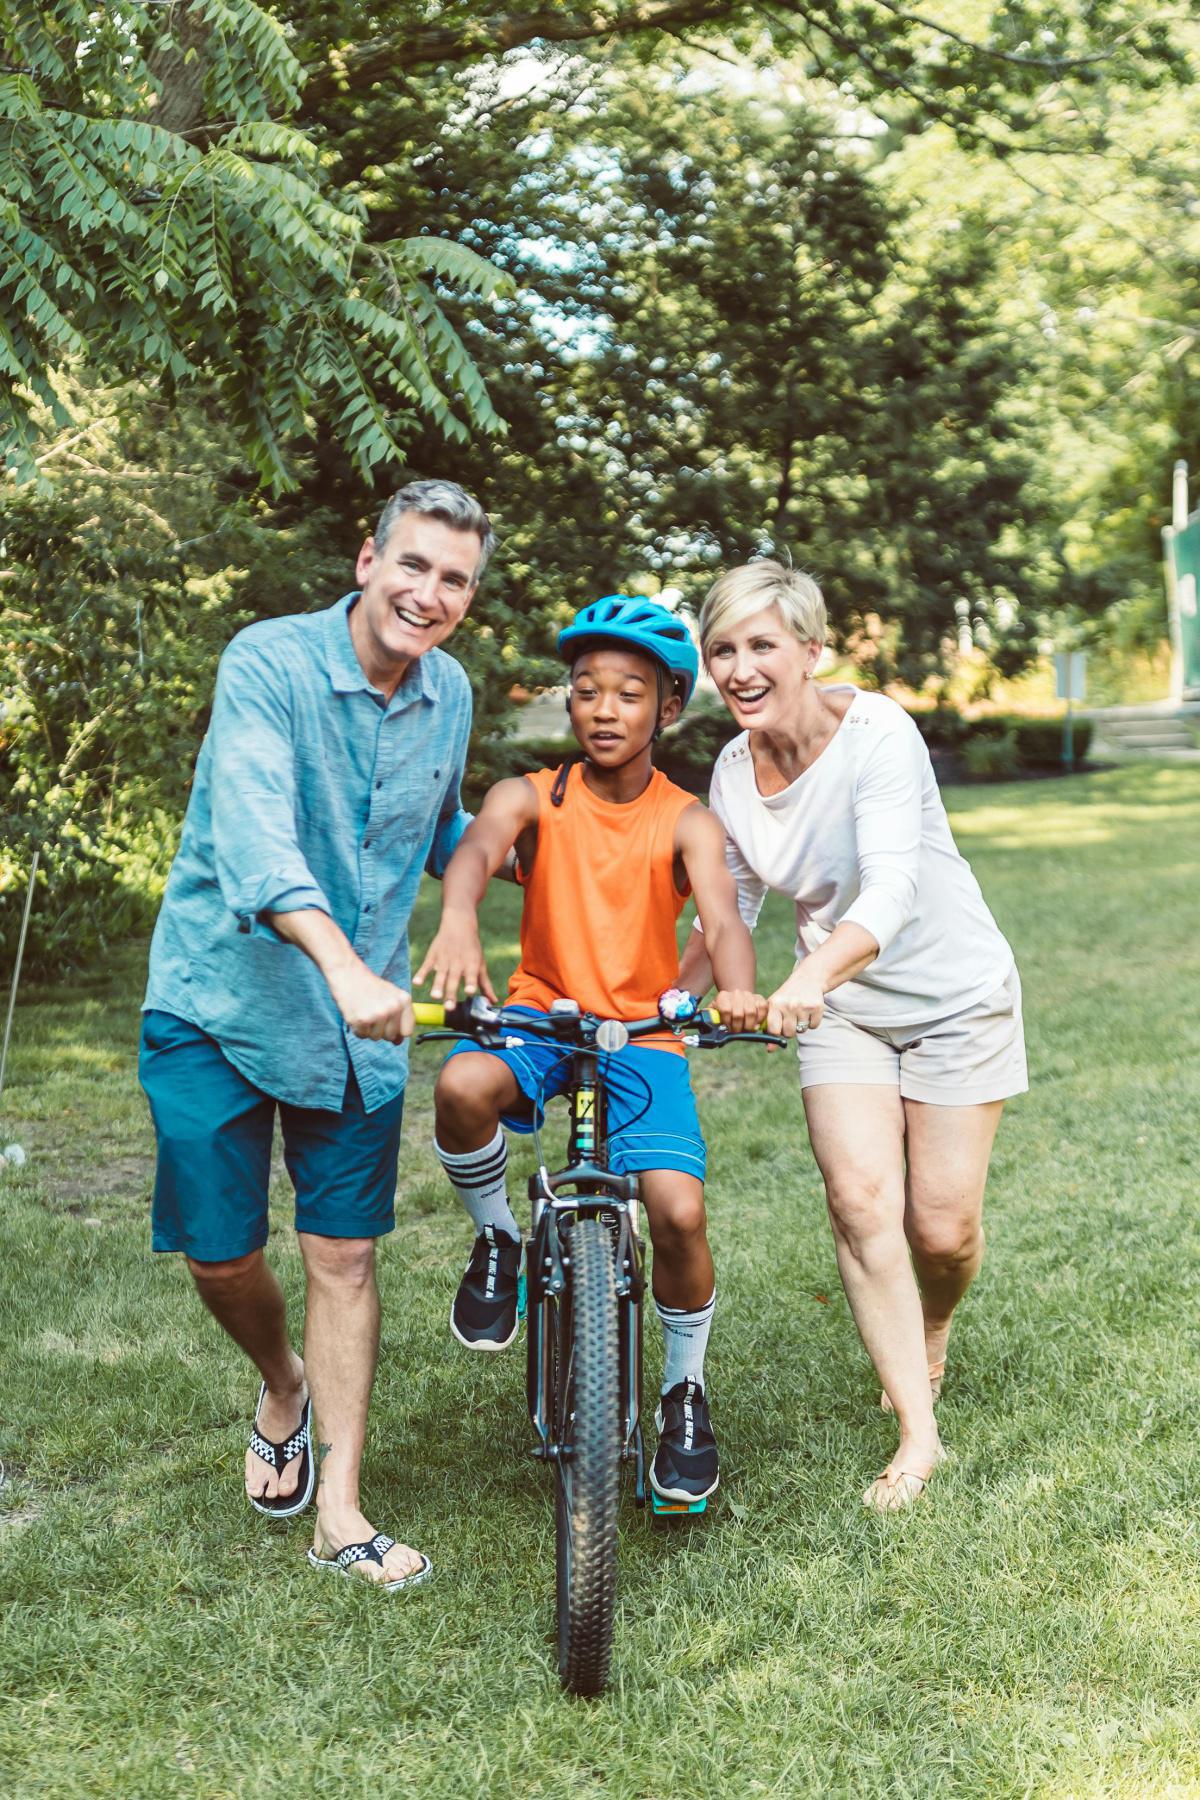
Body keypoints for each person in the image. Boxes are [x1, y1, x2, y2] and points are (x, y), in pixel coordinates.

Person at [138, 478, 493, 1590]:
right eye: (414, 566)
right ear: (366, 559)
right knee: (222, 1253)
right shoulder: (269, 662)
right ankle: (280, 1380)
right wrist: (341, 964)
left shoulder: (452, 696)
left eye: (454, 581)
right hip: (221, 1002)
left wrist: (590, 850)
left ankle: (340, 1508)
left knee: (343, 1255)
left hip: (359, 1032)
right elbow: (254, 835)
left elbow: (444, 831)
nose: (428, 595)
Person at [678, 560, 1027, 1510]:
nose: (740, 668)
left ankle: (935, 1327)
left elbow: (892, 888)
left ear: (810, 649)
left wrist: (803, 977)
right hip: (846, 1012)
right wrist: (675, 1002)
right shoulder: (732, 769)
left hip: (954, 994)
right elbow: (733, 904)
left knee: (942, 1230)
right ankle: (920, 1437)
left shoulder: (879, 734)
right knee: (862, 1203)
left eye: (761, 645)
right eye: (723, 650)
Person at [416, 594, 764, 1504]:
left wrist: (737, 988)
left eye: (629, 694)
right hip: (539, 1016)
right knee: (459, 1085)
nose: (605, 710)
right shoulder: (531, 795)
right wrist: (459, 922)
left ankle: (684, 1388)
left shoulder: (686, 817)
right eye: (586, 691)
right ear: (568, 701)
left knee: (679, 1213)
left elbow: (723, 919)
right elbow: (476, 852)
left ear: (668, 708)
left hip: (643, 1033)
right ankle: (499, 1241)